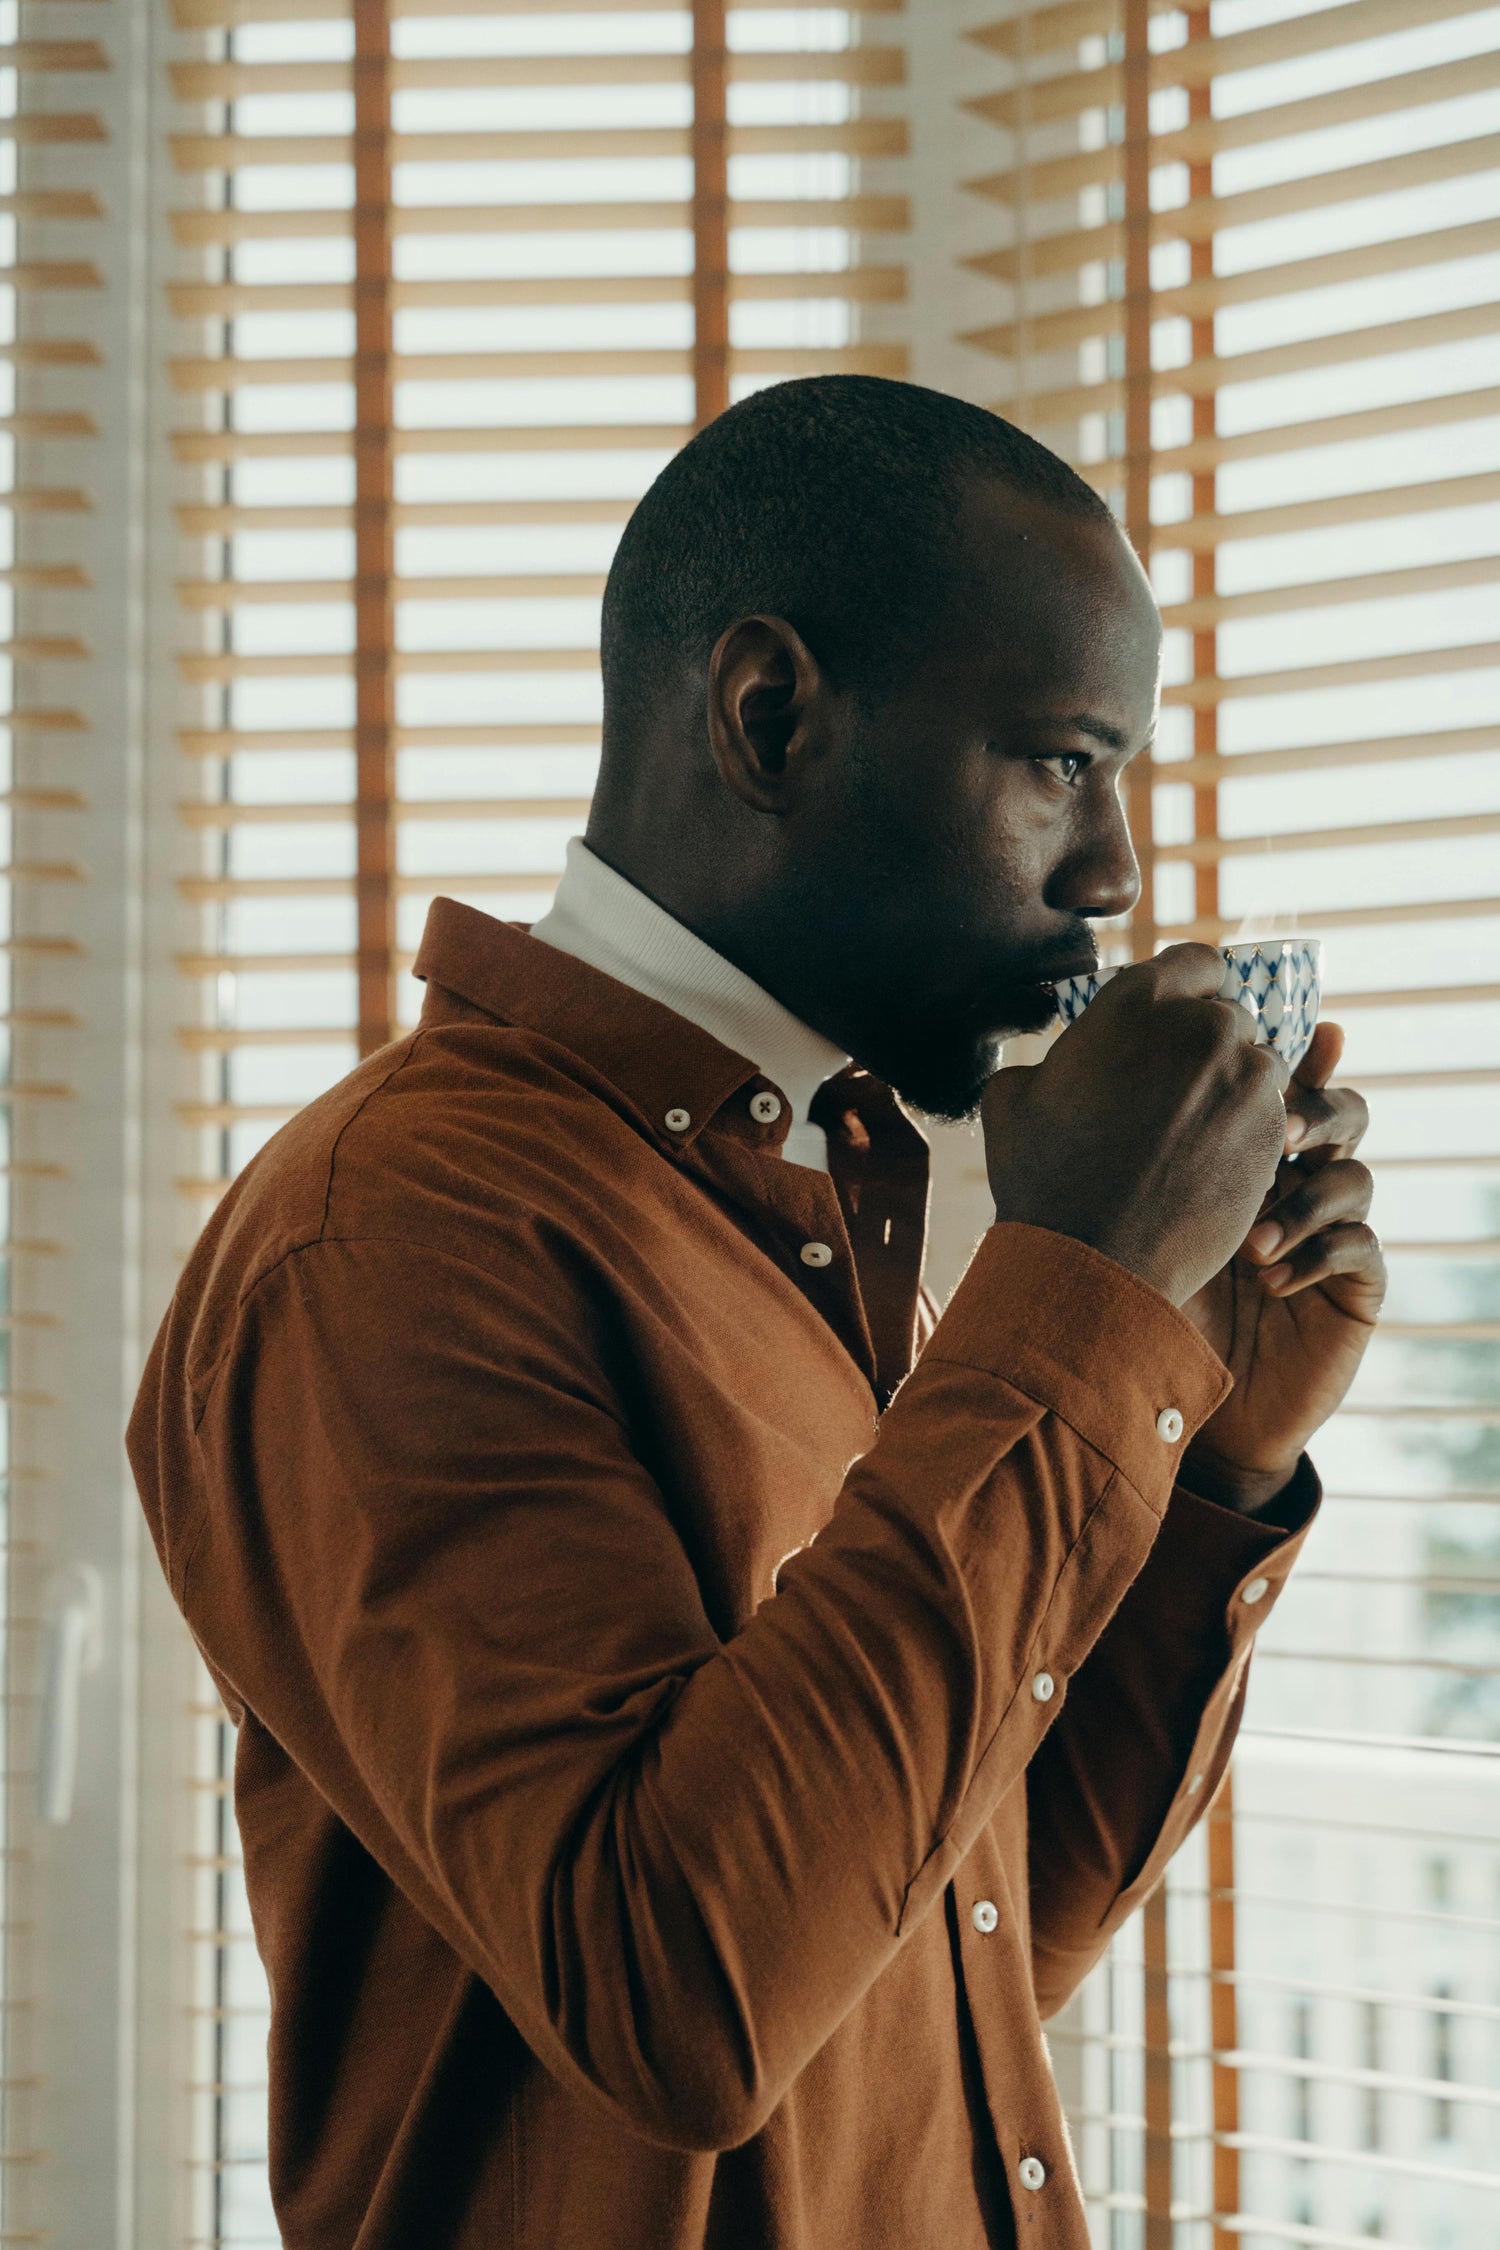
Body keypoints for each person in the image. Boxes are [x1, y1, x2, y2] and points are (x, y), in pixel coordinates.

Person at [128, 376, 1383, 2249]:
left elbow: (944, 1951)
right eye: (1060, 761)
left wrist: (1217, 1444)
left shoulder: (834, 1217)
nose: (1116, 870)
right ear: (772, 713)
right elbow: (682, 1997)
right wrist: (1084, 1300)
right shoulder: (380, 1238)